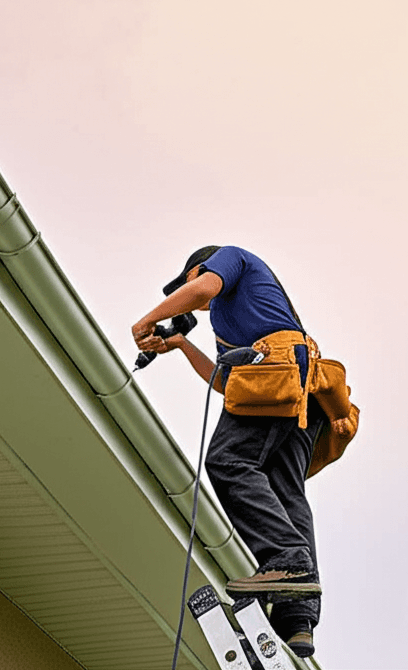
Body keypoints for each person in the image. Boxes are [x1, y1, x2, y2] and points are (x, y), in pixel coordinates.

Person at [132, 245, 323, 658]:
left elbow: (202, 290)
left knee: (227, 460)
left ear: (200, 268)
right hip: (300, 389)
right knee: (283, 489)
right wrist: (181, 345)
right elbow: (226, 384)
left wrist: (149, 319)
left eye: (186, 281)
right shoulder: (232, 323)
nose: (192, 296)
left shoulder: (231, 259)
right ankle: (297, 619)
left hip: (276, 372)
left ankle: (285, 559)